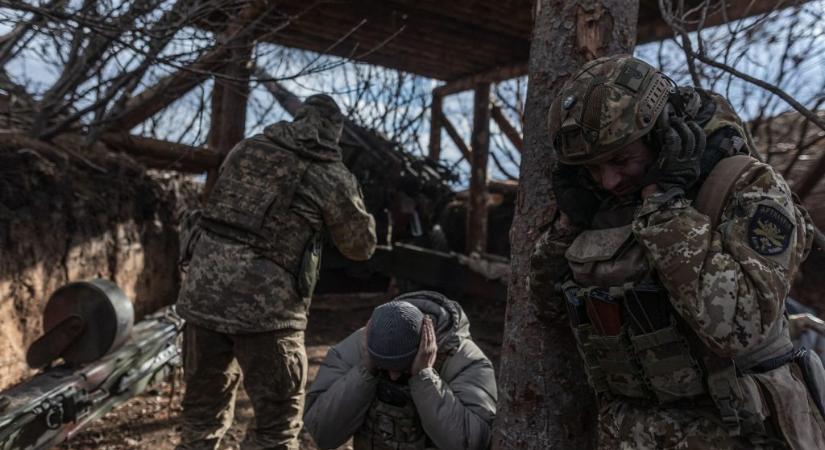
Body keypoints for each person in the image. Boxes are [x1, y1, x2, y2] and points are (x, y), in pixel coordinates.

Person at [531, 54, 825, 448]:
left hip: (741, 431)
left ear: (662, 137)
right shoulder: (604, 200)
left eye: (620, 160)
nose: (609, 179)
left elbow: (740, 327)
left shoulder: (745, 187)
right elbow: (548, 308)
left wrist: (667, 210)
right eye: (593, 168)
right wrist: (567, 226)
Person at [175, 94, 376, 450]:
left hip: (201, 296)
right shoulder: (331, 174)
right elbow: (360, 247)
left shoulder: (246, 148)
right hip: (267, 314)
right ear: (335, 132)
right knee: (276, 427)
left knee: (200, 417)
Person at [303, 291, 497, 450]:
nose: (393, 375)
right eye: (384, 367)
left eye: (402, 367)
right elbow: (322, 433)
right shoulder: (365, 343)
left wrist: (424, 377)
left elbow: (473, 443)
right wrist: (365, 370)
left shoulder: (466, 361)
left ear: (425, 346)